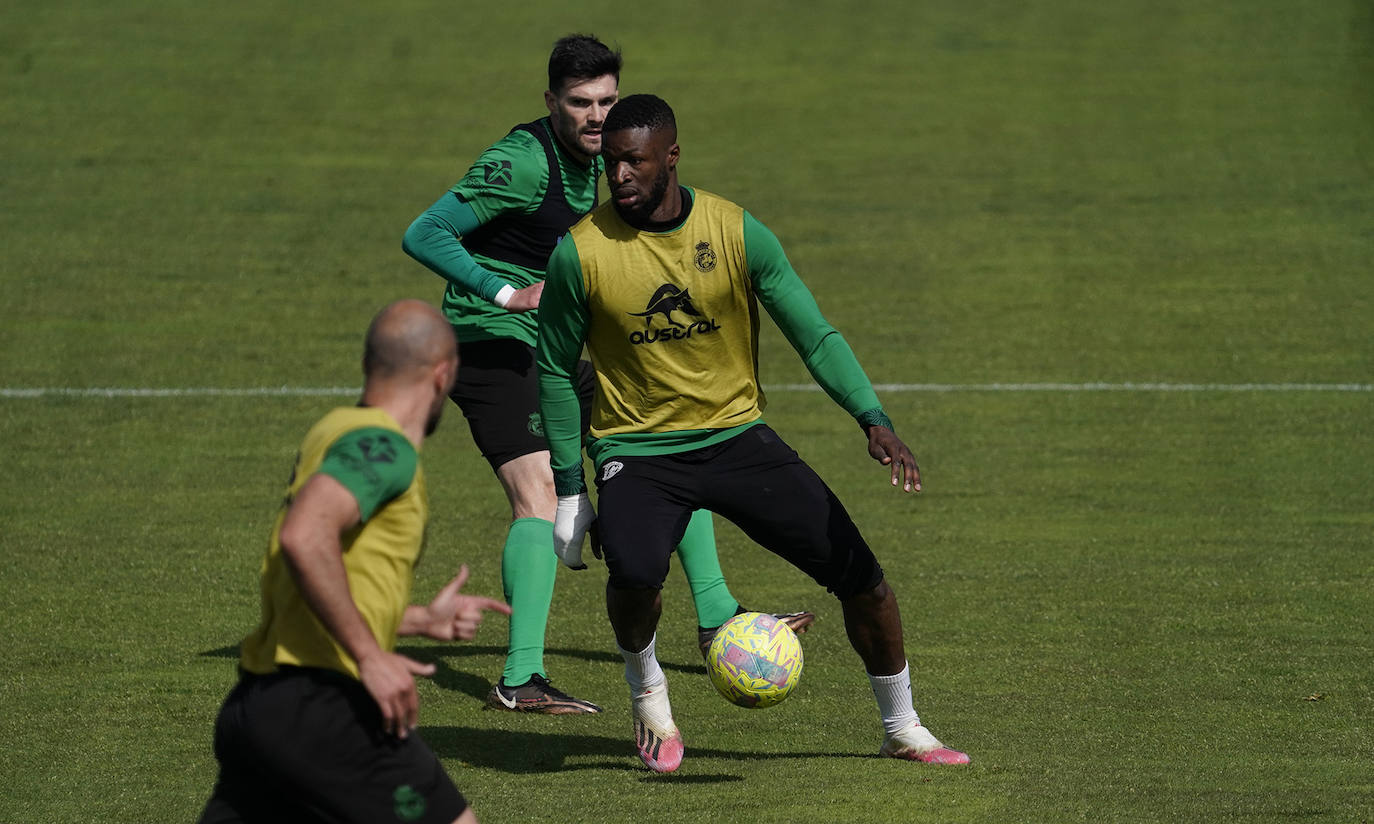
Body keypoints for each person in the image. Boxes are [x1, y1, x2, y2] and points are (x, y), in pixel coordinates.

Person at [535, 94, 970, 773]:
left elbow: (814, 334)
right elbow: (556, 370)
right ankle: (648, 692)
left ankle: (903, 726)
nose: (618, 176)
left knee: (865, 582)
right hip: (637, 450)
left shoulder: (736, 232)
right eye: (611, 163)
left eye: (635, 163)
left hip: (736, 437)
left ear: (671, 157)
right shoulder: (579, 254)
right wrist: (570, 490)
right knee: (635, 572)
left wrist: (872, 417)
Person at [402, 35, 811, 714]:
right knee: (537, 496)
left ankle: (717, 619)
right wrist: (504, 293)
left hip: (552, 348)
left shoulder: (605, 159)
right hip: (491, 345)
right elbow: (426, 231)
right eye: (581, 103)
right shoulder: (522, 162)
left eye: (606, 101)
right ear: (551, 102)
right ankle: (520, 679)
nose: (596, 115)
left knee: (664, 448)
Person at [198, 299, 512, 824]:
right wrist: (370, 655)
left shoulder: (334, 430)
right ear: (442, 375)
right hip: (325, 707)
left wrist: (412, 619)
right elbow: (305, 536)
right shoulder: (384, 448)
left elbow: (309, 567)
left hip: (261, 703)